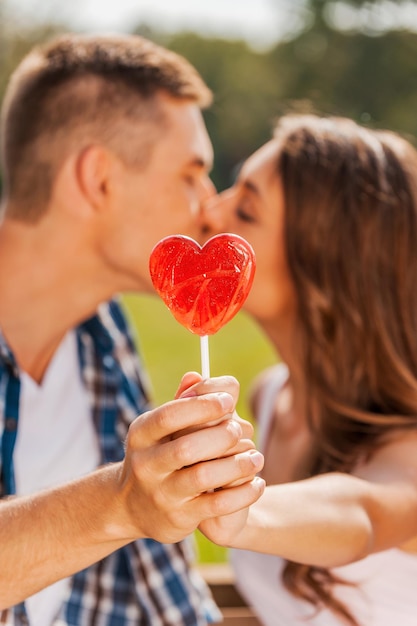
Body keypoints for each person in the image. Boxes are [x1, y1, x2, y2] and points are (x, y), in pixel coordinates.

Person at [0, 33, 265, 625]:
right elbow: (126, 507)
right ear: (99, 179)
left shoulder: (104, 331)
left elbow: (160, 592)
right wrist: (120, 502)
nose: (211, 205)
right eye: (191, 173)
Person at [199, 114, 417, 626]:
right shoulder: (269, 398)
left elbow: (362, 513)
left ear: (325, 267)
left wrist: (245, 513)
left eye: (246, 209)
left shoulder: (407, 443)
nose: (211, 210)